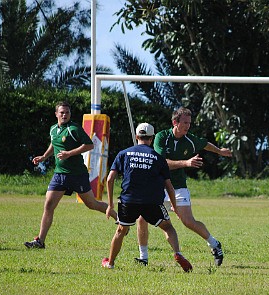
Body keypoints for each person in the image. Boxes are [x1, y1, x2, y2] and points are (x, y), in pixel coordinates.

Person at [135, 107, 232, 267]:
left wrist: (219, 151)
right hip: (158, 187)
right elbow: (160, 163)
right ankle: (143, 257)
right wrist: (186, 163)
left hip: (178, 187)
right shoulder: (162, 137)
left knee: (188, 221)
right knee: (142, 218)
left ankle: (215, 245)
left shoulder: (189, 139)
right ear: (175, 122)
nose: (188, 126)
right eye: (185, 123)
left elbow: (204, 144)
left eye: (189, 123)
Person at [25, 101, 117, 249]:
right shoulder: (53, 129)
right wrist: (43, 157)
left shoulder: (74, 129)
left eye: (67, 112)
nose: (64, 115)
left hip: (77, 175)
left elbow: (89, 145)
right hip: (59, 175)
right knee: (48, 205)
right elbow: (54, 144)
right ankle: (40, 241)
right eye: (61, 112)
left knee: (91, 204)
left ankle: (118, 218)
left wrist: (70, 153)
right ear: (56, 114)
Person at [101, 123, 192, 272]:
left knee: (121, 230)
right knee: (168, 227)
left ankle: (110, 263)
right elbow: (169, 186)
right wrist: (174, 206)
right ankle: (177, 253)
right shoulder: (159, 158)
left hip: (128, 201)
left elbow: (110, 179)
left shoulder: (124, 153)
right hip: (152, 202)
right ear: (152, 138)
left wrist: (110, 205)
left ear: (137, 137)